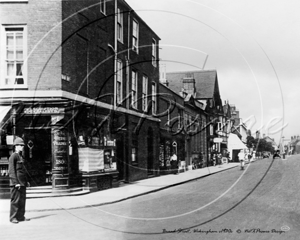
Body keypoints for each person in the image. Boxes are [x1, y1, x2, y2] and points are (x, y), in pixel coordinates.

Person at [8, 137, 30, 224]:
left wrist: (26, 181)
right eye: (20, 145)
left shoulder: (21, 156)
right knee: (15, 201)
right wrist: (15, 182)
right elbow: (12, 171)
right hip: (16, 183)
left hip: (22, 182)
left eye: (22, 145)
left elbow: (23, 170)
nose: (22, 147)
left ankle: (21, 217)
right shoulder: (13, 156)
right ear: (16, 146)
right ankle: (13, 217)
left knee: (22, 201)